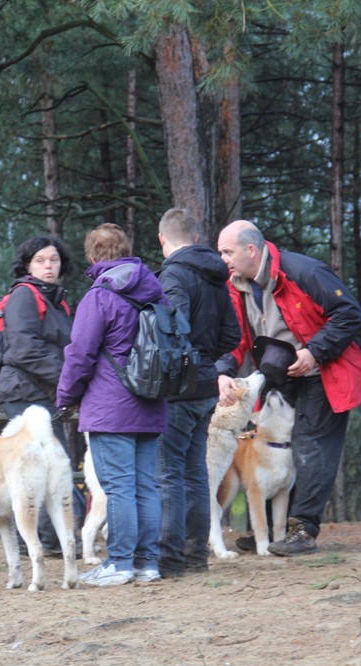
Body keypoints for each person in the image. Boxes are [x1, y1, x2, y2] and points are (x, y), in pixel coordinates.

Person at [216, 219, 361, 556]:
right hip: (281, 372)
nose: (223, 259)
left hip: (325, 369)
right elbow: (236, 337)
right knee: (275, 445)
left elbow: (349, 313)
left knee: (312, 446)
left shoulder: (303, 271)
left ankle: (302, 529)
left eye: (227, 252)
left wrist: (314, 351)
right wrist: (224, 370)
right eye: (220, 252)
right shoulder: (237, 284)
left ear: (250, 250)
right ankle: (273, 532)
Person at [56, 223, 167, 587]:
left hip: (110, 405)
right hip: (151, 401)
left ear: (92, 257)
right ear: (126, 251)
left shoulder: (99, 297)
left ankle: (119, 563)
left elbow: (79, 354)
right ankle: (147, 563)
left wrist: (66, 397)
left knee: (119, 487)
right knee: (146, 486)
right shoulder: (155, 291)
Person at [155, 208, 241, 577]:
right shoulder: (217, 277)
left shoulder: (174, 274)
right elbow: (232, 337)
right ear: (194, 236)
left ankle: (171, 560)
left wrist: (176, 367)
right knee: (193, 471)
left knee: (170, 473)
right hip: (206, 385)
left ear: (163, 240)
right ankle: (195, 557)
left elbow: (174, 329)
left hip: (180, 389)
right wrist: (209, 363)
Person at [0, 235, 84, 554]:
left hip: (45, 395)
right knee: (35, 468)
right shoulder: (24, 296)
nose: (49, 265)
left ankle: (46, 539)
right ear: (28, 265)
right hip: (23, 394)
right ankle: (38, 540)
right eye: (40, 260)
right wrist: (68, 383)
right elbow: (24, 350)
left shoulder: (57, 300)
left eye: (54, 260)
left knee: (48, 466)